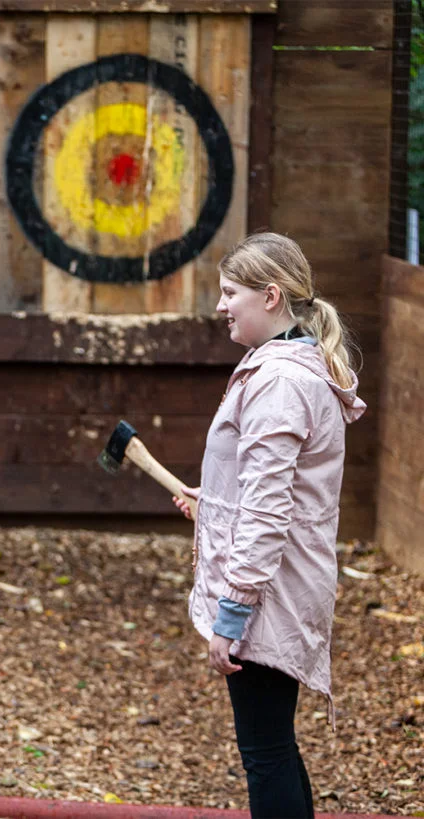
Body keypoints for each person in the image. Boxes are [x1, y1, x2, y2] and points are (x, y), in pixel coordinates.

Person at [172, 232, 364, 818]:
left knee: (266, 752)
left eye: (231, 293)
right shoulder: (290, 370)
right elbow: (270, 487)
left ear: (272, 297)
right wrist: (217, 498)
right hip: (280, 584)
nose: (222, 305)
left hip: (266, 598)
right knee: (274, 745)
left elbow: (268, 512)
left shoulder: (279, 382)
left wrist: (231, 616)